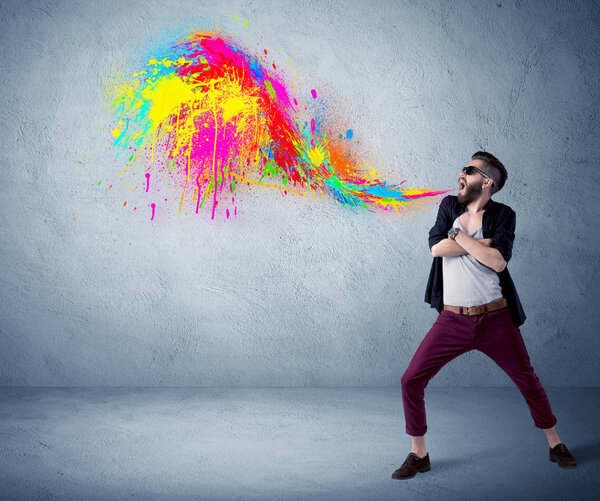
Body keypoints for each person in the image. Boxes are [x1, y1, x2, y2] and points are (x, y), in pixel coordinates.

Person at [392, 151, 577, 480]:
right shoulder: (449, 205)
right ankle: (418, 453)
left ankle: (555, 444)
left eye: (468, 170)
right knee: (411, 380)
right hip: (451, 320)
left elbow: (498, 262)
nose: (460, 173)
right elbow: (436, 248)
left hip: (496, 319)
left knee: (528, 381)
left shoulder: (504, 214)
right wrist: (480, 244)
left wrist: (459, 236)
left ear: (486, 181)